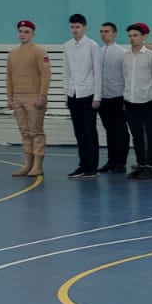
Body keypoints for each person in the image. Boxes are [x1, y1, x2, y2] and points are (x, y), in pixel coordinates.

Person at [5, 20, 50, 178]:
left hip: (34, 98)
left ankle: (38, 166)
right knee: (24, 132)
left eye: (26, 31)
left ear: (33, 34)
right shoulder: (12, 54)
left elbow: (45, 75)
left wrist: (42, 96)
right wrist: (10, 98)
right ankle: (28, 164)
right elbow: (9, 77)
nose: (23, 34)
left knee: (36, 132)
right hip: (18, 98)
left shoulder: (39, 52)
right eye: (21, 31)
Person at [60, 13, 102, 179]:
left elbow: (97, 72)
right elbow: (66, 71)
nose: (75, 30)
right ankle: (82, 164)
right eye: (72, 27)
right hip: (73, 93)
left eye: (77, 27)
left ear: (84, 27)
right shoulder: (67, 45)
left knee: (89, 131)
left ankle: (92, 167)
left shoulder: (92, 45)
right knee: (79, 132)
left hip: (88, 93)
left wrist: (97, 96)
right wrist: (67, 94)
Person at [121, 23, 152, 179]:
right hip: (130, 100)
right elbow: (125, 76)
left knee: (150, 134)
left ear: (143, 37)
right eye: (130, 36)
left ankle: (150, 165)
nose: (132, 38)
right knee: (136, 134)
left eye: (135, 35)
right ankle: (141, 163)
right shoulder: (126, 56)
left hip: (148, 100)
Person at [97, 22, 131, 174]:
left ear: (114, 33)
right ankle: (111, 161)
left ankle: (121, 162)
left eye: (107, 31)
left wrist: (126, 97)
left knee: (121, 131)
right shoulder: (98, 52)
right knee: (109, 130)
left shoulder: (122, 53)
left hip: (118, 97)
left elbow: (127, 75)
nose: (104, 34)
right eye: (101, 31)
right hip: (103, 97)